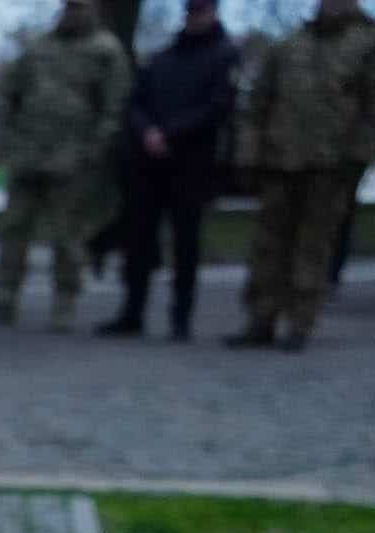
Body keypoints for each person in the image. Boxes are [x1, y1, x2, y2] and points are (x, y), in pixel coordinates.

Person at [228, 0, 375, 349]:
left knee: (312, 245)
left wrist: (357, 159)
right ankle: (261, 318)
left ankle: (299, 323)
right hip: (280, 161)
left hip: (330, 165)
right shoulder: (291, 44)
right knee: (268, 244)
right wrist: (249, 155)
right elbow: (257, 105)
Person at [0, 0, 126, 330]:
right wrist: (6, 135)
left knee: (67, 235)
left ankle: (65, 300)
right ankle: (4, 297)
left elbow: (114, 107)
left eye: (80, 8)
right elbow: (8, 90)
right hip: (28, 154)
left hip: (72, 159)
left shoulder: (105, 50)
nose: (72, 14)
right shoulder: (39, 46)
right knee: (14, 228)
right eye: (68, 7)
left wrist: (95, 149)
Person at [100, 0, 235, 339]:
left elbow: (217, 108)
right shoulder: (164, 57)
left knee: (185, 242)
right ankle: (132, 312)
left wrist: (170, 133)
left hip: (190, 163)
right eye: (190, 11)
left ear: (213, 12)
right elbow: (136, 101)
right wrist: (146, 131)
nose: (194, 16)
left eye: (200, 11)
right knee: (139, 239)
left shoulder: (224, 56)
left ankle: (180, 317)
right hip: (147, 163)